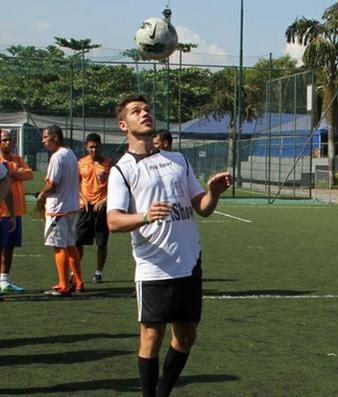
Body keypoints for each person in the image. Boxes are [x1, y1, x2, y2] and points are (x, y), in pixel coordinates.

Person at [107, 95, 231, 397]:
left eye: (147, 109)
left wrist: (213, 194)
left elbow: (201, 207)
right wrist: (146, 216)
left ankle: (163, 392)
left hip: (189, 261)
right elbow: (113, 221)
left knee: (187, 336)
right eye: (136, 112)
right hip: (154, 266)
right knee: (151, 335)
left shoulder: (178, 160)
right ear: (124, 125)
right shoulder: (122, 170)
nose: (145, 114)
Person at [36, 125, 83, 296]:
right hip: (71, 206)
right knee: (70, 245)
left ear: (55, 137)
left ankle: (64, 285)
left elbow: (52, 183)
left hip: (58, 208)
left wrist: (41, 194)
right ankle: (78, 281)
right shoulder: (70, 153)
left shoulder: (57, 157)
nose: (43, 140)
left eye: (45, 137)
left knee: (58, 245)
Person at [76, 133, 112, 283]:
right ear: (86, 147)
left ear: (101, 146)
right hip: (85, 208)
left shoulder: (109, 164)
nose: (94, 149)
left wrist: (105, 200)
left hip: (101, 208)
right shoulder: (81, 163)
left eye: (96, 146)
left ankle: (98, 272)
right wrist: (82, 197)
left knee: (101, 243)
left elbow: (116, 187)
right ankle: (75, 273)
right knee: (77, 241)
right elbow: (75, 184)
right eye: (91, 147)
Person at [0, 129, 32, 293]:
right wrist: (12, 174)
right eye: (4, 139)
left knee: (10, 246)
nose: (7, 142)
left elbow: (29, 175)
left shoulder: (17, 159)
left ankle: (4, 280)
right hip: (2, 212)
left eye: (9, 139)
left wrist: (10, 172)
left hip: (15, 211)